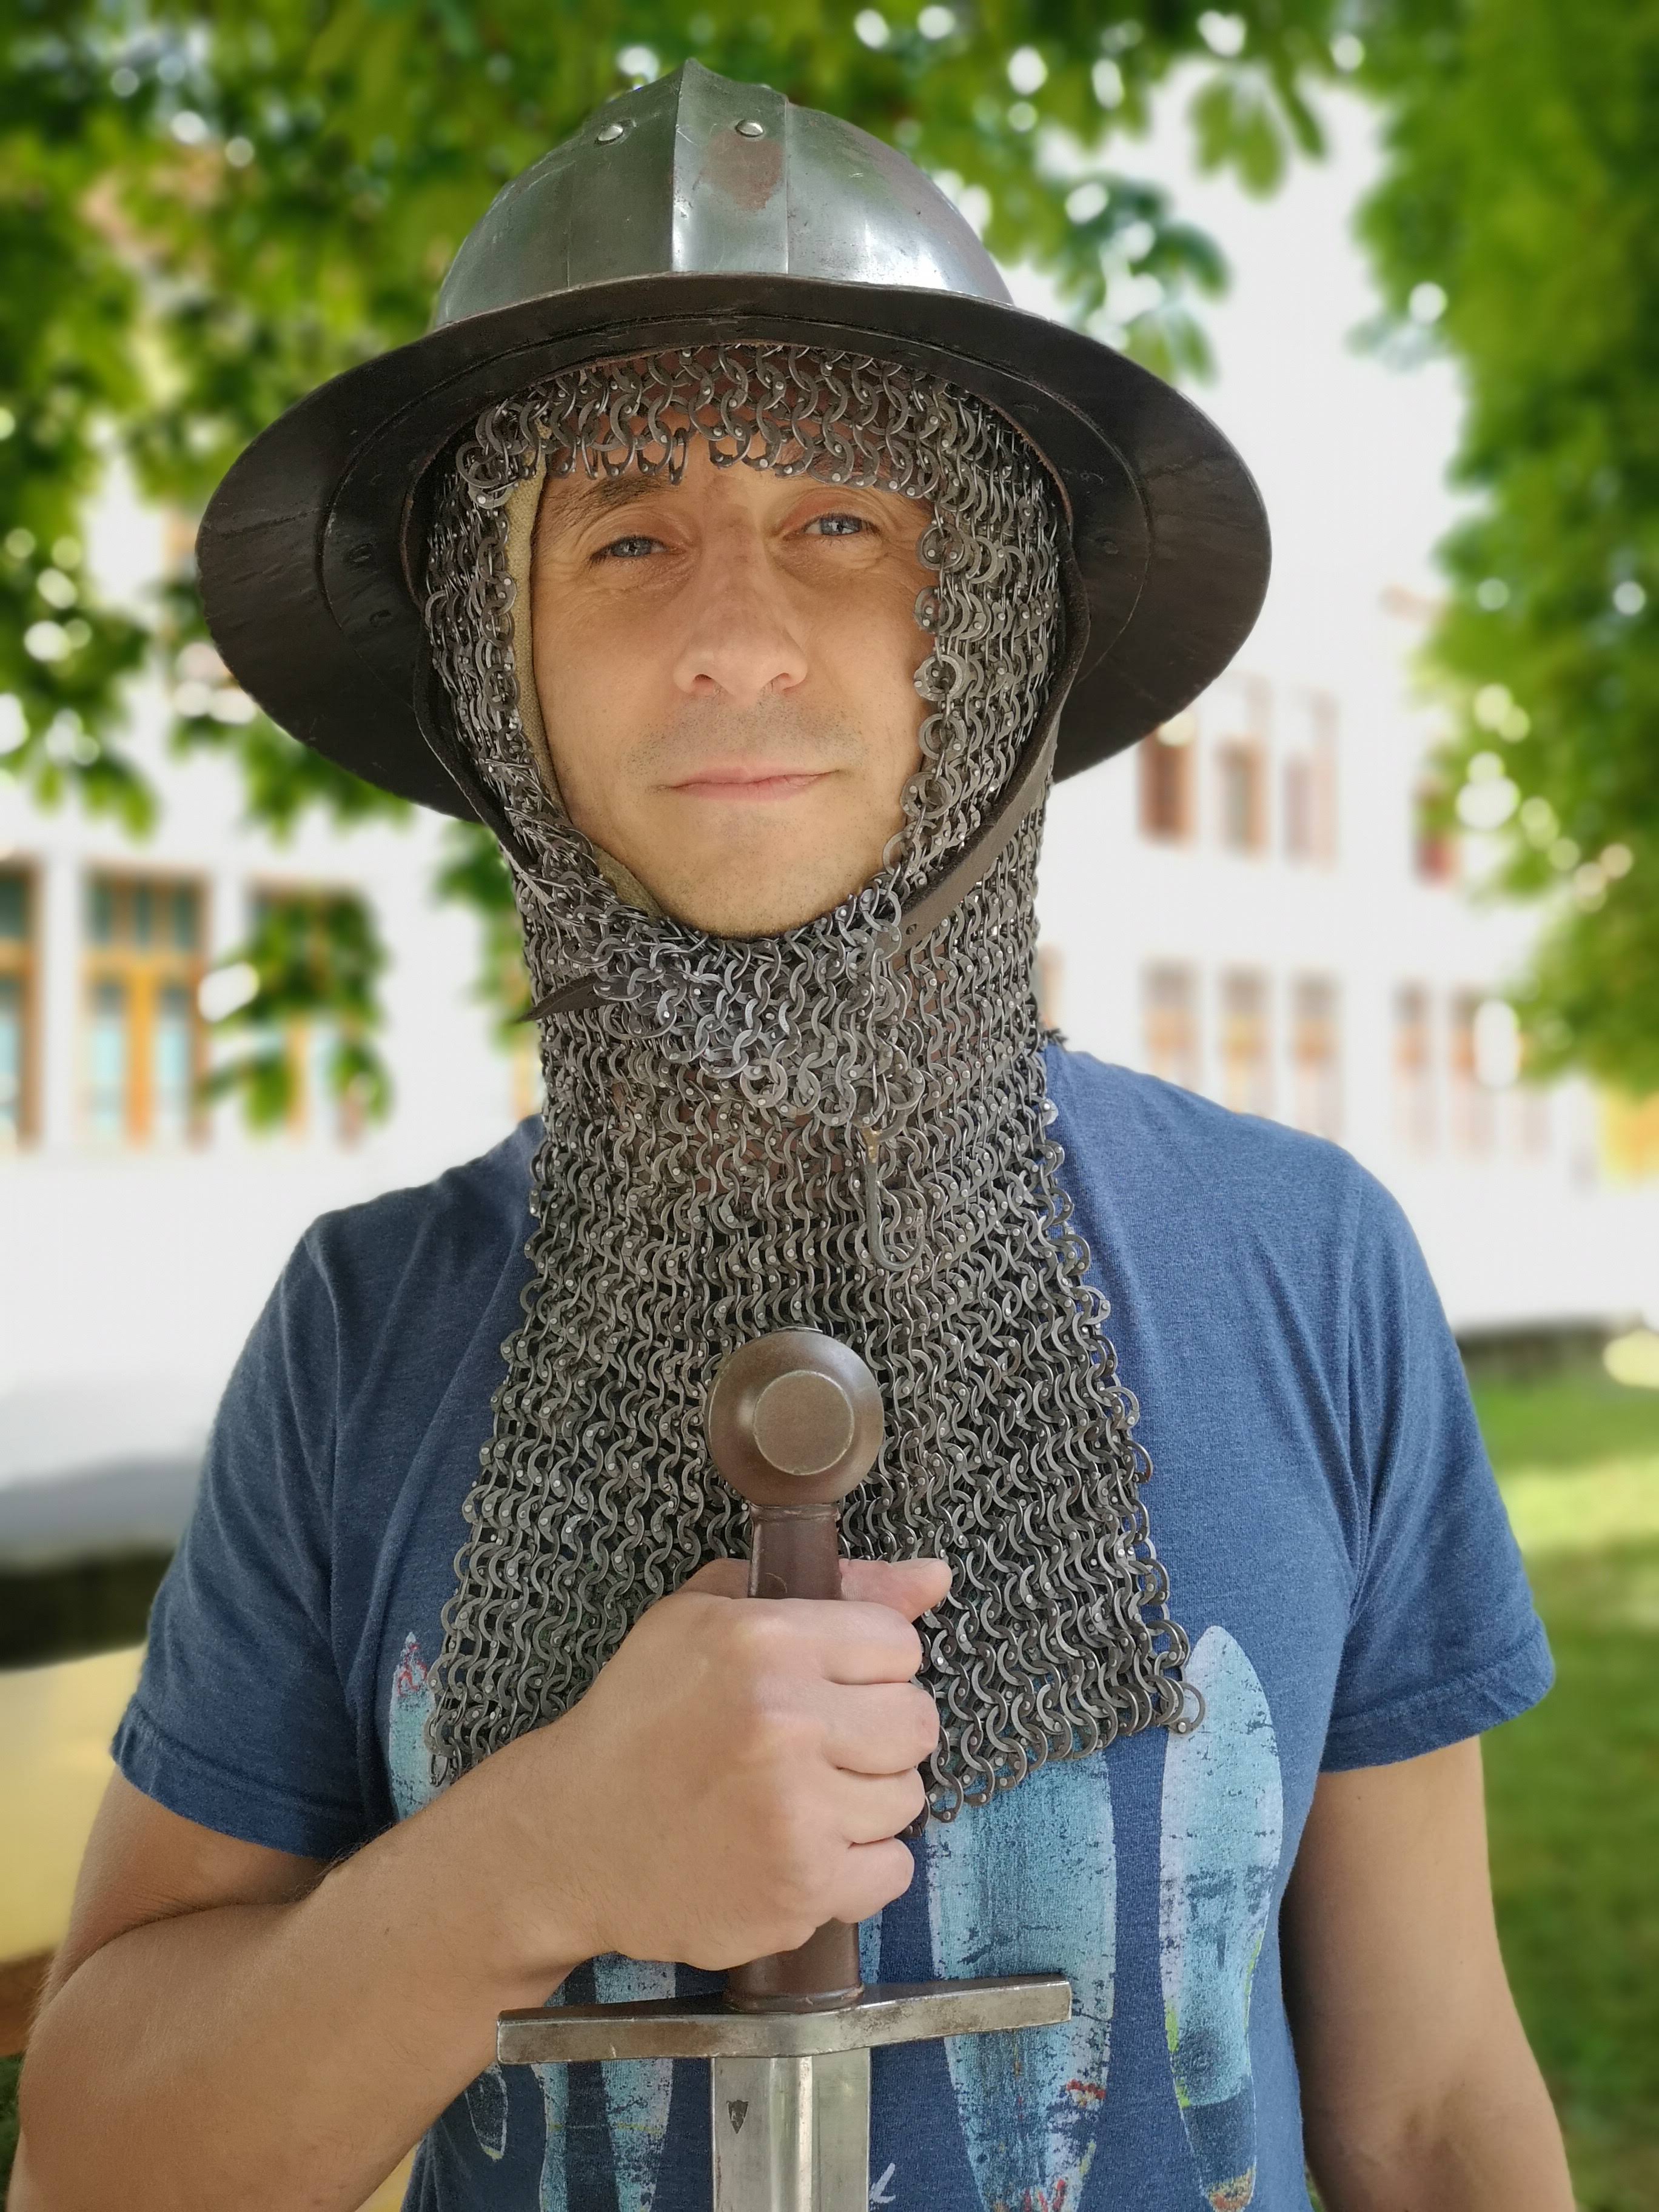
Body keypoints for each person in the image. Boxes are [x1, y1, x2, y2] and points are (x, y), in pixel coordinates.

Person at [16, 62, 1572, 2212]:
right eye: (625, 536)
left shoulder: (1301, 1264)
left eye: (844, 522)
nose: (736, 639)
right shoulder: (368, 1328)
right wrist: (530, 1856)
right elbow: (96, 2163)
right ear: (492, 658)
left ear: (994, 625)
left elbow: (1429, 2111)